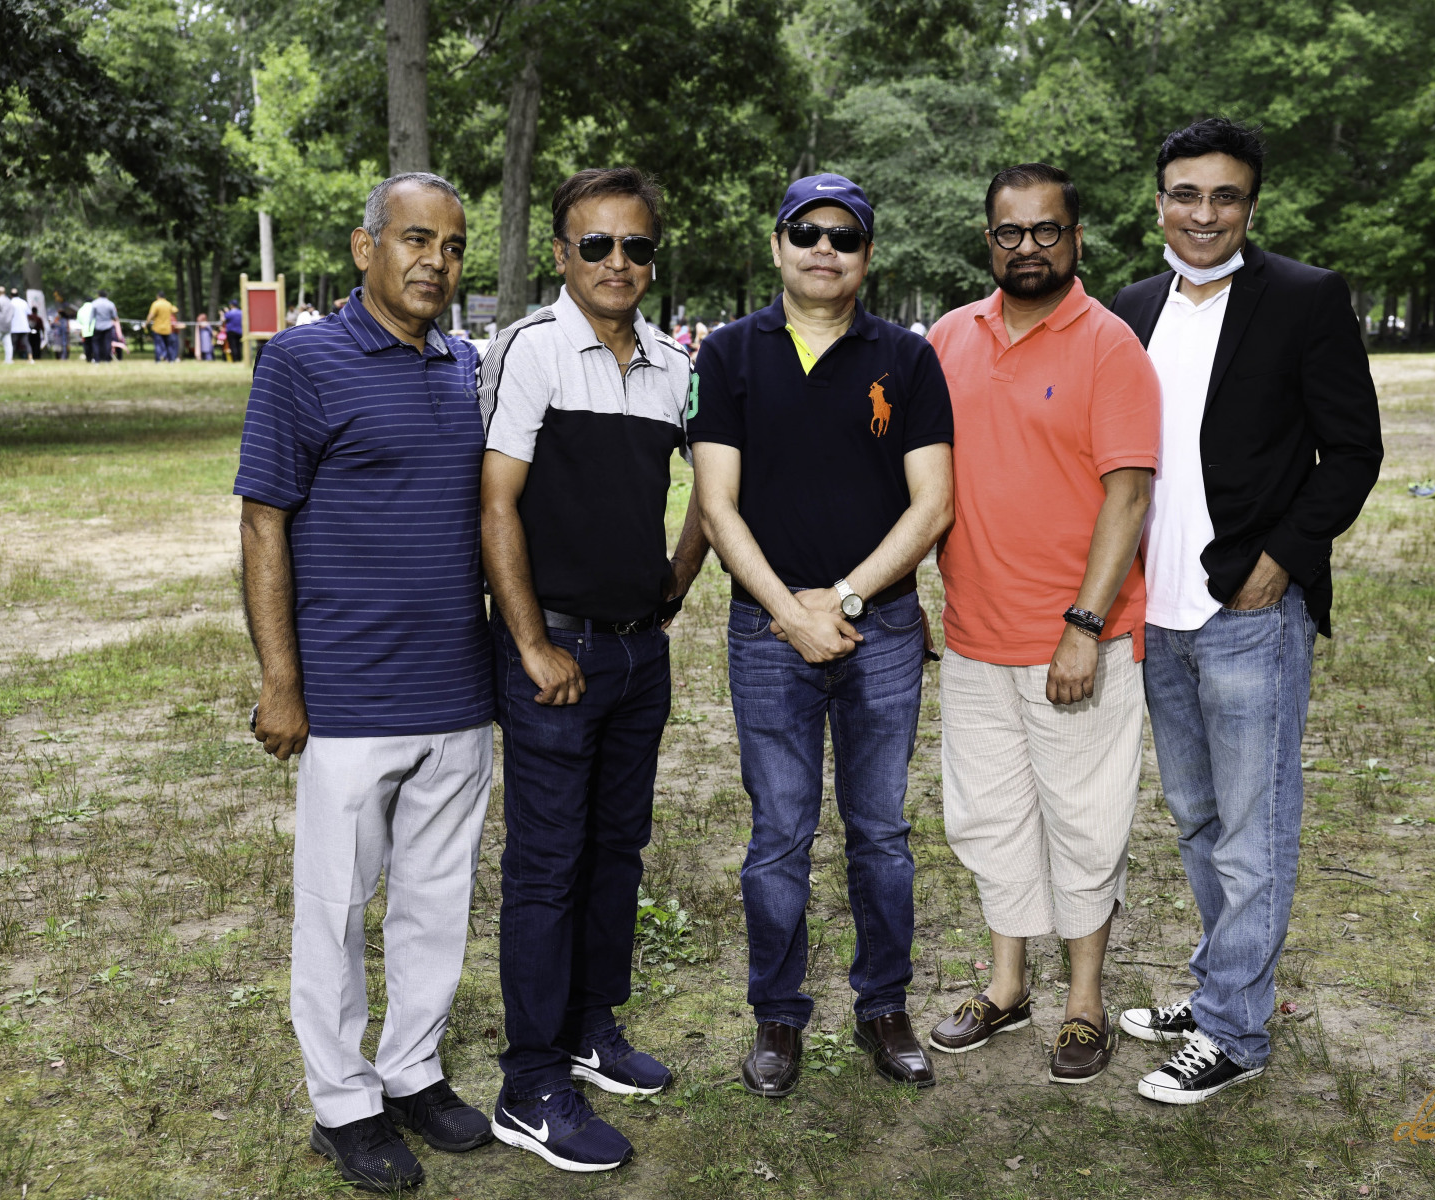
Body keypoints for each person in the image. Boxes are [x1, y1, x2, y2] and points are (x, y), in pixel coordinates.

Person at [1107, 118, 1383, 1105]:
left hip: (1247, 611)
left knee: (1253, 831)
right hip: (1157, 613)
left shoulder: (1306, 298)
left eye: (1225, 196)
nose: (1204, 213)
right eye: (1186, 194)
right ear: (1159, 204)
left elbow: (1353, 451)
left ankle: (1234, 1032)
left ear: (1251, 206)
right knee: (1196, 818)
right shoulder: (1131, 308)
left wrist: (1281, 562)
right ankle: (1225, 988)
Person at [235, 171, 497, 1192]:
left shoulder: (464, 367)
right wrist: (281, 680)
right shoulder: (301, 362)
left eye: (453, 246)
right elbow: (264, 522)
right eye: (415, 238)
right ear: (365, 247)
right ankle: (343, 1103)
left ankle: (412, 1070)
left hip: (458, 691)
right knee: (335, 909)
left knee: (436, 902)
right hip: (348, 697)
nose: (436, 260)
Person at [689, 173, 955, 1098]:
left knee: (880, 831)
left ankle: (884, 1007)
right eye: (806, 232)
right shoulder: (727, 354)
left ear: (867, 255)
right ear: (777, 246)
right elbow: (716, 506)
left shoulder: (908, 358)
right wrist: (789, 610)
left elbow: (933, 504)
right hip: (766, 633)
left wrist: (840, 599)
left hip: (881, 629)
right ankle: (777, 1015)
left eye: (844, 235)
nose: (824, 249)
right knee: (778, 834)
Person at [476, 166, 707, 1174]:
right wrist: (532, 643)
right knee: (547, 864)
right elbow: (494, 505)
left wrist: (676, 579)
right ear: (563, 254)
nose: (619, 262)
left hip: (638, 652)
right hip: (554, 654)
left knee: (618, 851)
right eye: (598, 244)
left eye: (637, 246)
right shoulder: (530, 349)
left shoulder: (673, 365)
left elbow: (718, 489)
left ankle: (589, 1029)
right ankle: (530, 1085)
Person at [923, 164, 1158, 1085]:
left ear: (1077, 238)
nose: (1029, 247)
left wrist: (1083, 626)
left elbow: (1129, 495)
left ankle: (1084, 1004)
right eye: (1010, 232)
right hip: (975, 635)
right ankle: (1008, 986)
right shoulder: (950, 337)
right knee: (991, 819)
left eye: (1046, 230)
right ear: (989, 241)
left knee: (1084, 824)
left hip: (1077, 641)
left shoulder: (1109, 346)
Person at [84, 290, 118, 363]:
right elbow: (114, 316)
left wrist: (89, 325)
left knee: (96, 343)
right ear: (106, 296)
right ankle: (107, 359)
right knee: (107, 342)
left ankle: (97, 359)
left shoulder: (95, 303)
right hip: (108, 326)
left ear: (98, 295)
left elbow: (92, 316)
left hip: (98, 326)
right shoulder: (110, 304)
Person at [7, 291, 32, 361]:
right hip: (24, 327)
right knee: (26, 343)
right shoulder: (24, 302)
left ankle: (10, 359)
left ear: (11, 295)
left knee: (13, 344)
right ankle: (30, 358)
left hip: (14, 327)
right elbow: (29, 313)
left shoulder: (10, 303)